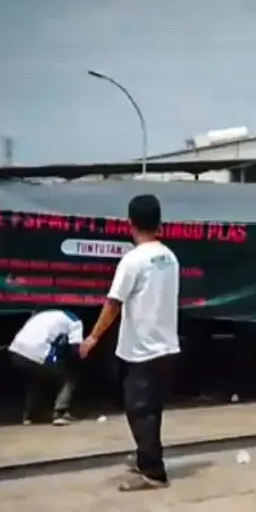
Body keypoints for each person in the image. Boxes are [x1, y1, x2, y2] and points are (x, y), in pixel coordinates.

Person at [80, 194, 181, 491]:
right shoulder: (169, 257)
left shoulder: (133, 260)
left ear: (130, 224)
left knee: (139, 410)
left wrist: (93, 336)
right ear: (159, 223)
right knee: (151, 409)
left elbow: (113, 304)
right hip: (165, 346)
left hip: (143, 350)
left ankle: (153, 472)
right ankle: (145, 458)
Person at [9, 309, 83, 426]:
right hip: (38, 354)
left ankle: (30, 415)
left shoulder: (41, 315)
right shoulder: (75, 321)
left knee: (35, 377)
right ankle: (60, 413)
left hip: (16, 353)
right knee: (69, 375)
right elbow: (75, 349)